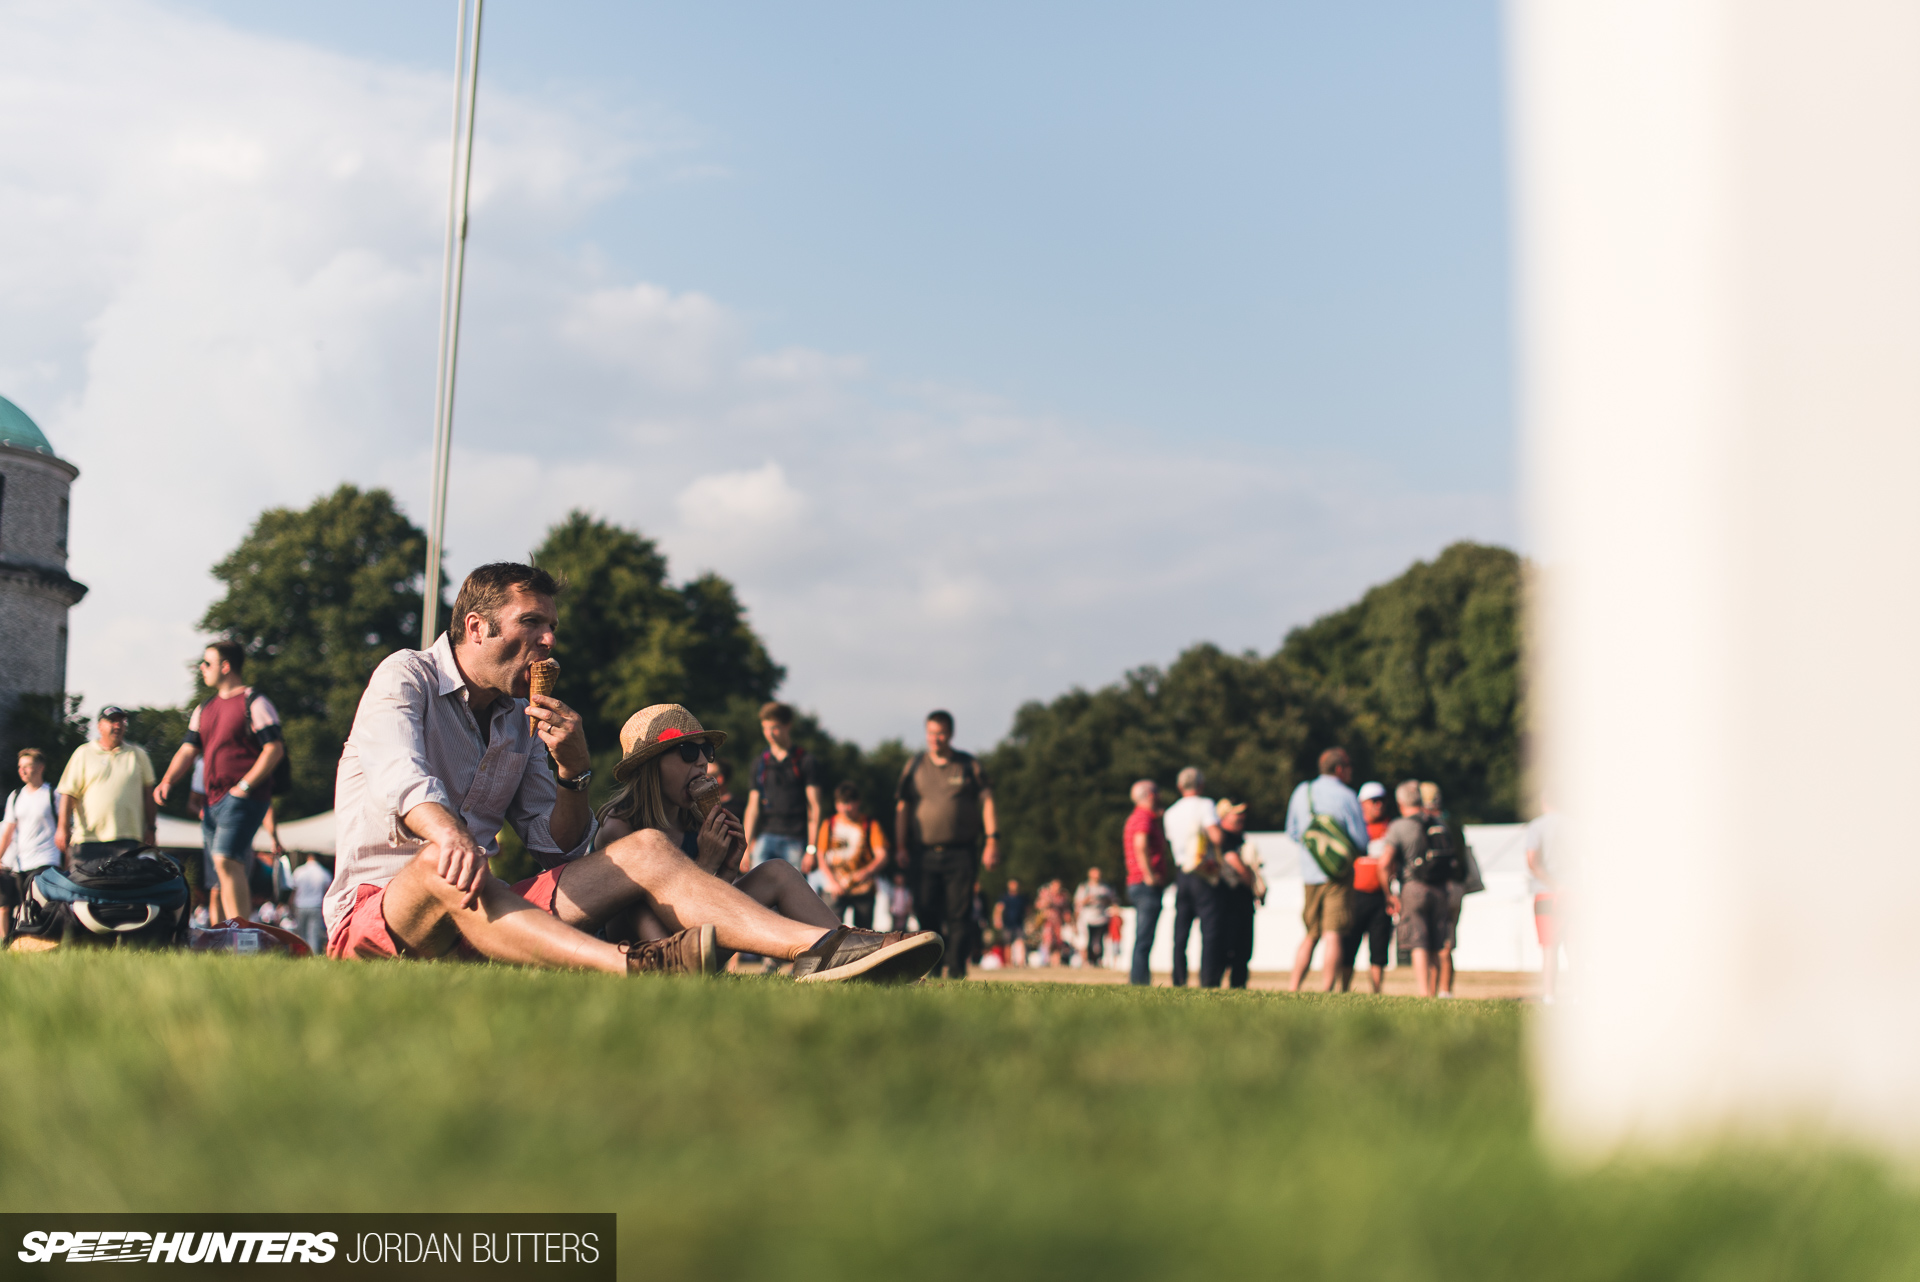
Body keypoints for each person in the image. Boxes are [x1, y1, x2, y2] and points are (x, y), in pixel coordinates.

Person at [325, 562, 939, 983]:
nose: (548, 641)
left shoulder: (517, 722)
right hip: (380, 915)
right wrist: (449, 833)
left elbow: (553, 846)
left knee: (644, 850)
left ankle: (821, 950)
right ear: (476, 628)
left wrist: (571, 774)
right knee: (443, 863)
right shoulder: (406, 677)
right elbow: (398, 772)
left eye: (552, 627)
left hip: (483, 915)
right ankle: (635, 966)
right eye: (531, 624)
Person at [154, 642, 287, 924]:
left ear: (225, 667)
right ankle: (233, 930)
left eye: (207, 663)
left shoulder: (254, 701)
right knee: (223, 866)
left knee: (227, 861)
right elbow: (189, 749)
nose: (201, 668)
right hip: (212, 801)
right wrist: (168, 780)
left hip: (243, 798)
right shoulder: (205, 708)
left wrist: (245, 787)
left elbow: (274, 748)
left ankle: (244, 933)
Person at [895, 710, 998, 979]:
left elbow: (987, 800)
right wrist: (900, 845)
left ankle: (956, 969)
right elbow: (902, 806)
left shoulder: (968, 765)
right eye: (931, 733)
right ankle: (932, 965)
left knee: (959, 913)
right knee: (926, 908)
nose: (935, 739)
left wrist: (992, 840)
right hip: (923, 851)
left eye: (940, 733)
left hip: (961, 851)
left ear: (950, 734)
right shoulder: (915, 765)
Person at [1284, 747, 1366, 993]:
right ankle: (1327, 990)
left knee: (1310, 934)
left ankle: (1293, 987)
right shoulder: (1347, 796)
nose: (1351, 770)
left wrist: (1315, 852)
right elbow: (1361, 841)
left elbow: (1292, 831)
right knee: (1334, 933)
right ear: (1339, 768)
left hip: (1309, 873)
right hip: (1337, 875)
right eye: (1349, 765)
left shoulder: (1302, 791)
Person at [1378, 780, 1450, 997]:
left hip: (1413, 887)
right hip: (1440, 888)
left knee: (1419, 941)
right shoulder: (1439, 822)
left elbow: (1383, 863)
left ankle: (1424, 993)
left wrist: (1389, 894)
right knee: (1437, 943)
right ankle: (1437, 991)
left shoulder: (1399, 826)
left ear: (1400, 802)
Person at [56, 706, 156, 858]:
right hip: (88, 838)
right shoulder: (83, 753)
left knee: (124, 882)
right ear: (99, 726)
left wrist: (151, 828)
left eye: (121, 721)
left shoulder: (138, 754)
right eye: (112, 721)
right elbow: (68, 794)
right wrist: (62, 828)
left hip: (127, 838)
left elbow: (149, 794)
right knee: (83, 882)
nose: (118, 725)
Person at [740, 702, 820, 874]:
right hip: (766, 836)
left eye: (774, 728)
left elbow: (814, 807)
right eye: (765, 728)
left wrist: (812, 850)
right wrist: (745, 848)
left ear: (787, 726)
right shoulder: (760, 762)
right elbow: (752, 808)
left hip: (795, 839)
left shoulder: (805, 761)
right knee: (756, 896)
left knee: (793, 896)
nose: (769, 734)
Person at [0, 749, 61, 942]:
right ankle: (28, 942)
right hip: (21, 862)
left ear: (40, 767)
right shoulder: (16, 796)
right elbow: (8, 831)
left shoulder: (53, 794)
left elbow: (64, 830)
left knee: (40, 905)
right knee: (23, 907)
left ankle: (46, 940)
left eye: (27, 766)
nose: (22, 771)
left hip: (46, 859)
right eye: (20, 767)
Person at [1340, 781, 1396, 994]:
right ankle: (1343, 989)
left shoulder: (1391, 827)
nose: (1378, 805)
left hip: (1380, 896)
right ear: (1362, 803)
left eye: (1381, 800)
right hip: (1355, 895)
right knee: (1348, 945)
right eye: (1373, 801)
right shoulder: (1353, 827)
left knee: (1379, 949)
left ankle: (1376, 991)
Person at [815, 782, 889, 929]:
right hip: (834, 887)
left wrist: (867, 871)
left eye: (849, 803)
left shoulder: (870, 824)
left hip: (863, 888)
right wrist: (832, 881)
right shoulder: (829, 824)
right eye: (841, 804)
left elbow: (882, 855)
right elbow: (821, 857)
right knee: (829, 930)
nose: (845, 808)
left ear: (858, 803)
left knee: (865, 933)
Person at [1122, 779, 1172, 985]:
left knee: (1143, 937)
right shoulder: (1144, 818)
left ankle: (1139, 980)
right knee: (1144, 937)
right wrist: (1149, 874)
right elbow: (1140, 844)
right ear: (1150, 795)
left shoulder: (1139, 817)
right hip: (1145, 884)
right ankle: (1139, 982)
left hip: (1137, 883)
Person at [1421, 782, 1467, 998]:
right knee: (1447, 941)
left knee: (1429, 942)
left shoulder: (1423, 824)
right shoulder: (1454, 824)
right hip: (1455, 887)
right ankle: (1446, 991)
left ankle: (1430, 992)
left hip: (1432, 886)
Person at [1214, 800, 1260, 989]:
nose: (1241, 818)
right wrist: (1250, 879)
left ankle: (1238, 986)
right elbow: (1235, 864)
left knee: (1243, 950)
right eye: (1236, 815)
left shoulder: (1241, 838)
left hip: (1244, 902)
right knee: (1225, 948)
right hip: (1227, 903)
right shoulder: (1222, 838)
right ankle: (1215, 986)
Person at [1525, 800, 1564, 1003]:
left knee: (1549, 948)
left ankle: (1549, 995)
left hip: (1546, 894)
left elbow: (1533, 862)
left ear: (1543, 802)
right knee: (1575, 948)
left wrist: (1554, 885)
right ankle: (1580, 997)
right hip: (1573, 895)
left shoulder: (1537, 826)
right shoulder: (1576, 826)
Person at [1073, 866, 1117, 968]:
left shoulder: (1105, 888)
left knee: (1100, 940)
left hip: (1101, 918)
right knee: (1088, 940)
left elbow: (1113, 901)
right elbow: (1077, 904)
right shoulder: (1084, 887)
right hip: (1088, 918)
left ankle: (1099, 960)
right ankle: (1089, 961)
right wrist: (1086, 901)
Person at [288, 852, 332, 954]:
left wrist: (290, 905)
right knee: (314, 935)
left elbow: (294, 891)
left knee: (301, 934)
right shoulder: (324, 873)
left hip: (300, 905)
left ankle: (301, 954)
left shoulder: (299, 871)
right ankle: (313, 955)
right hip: (316, 906)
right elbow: (327, 893)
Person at [996, 878, 1028, 966]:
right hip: (1008, 923)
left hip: (1019, 923)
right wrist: (998, 920)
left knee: (1021, 941)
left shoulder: (1021, 898)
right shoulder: (1005, 897)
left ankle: (1021, 962)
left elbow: (1027, 910)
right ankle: (1008, 963)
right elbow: (999, 909)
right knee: (1007, 944)